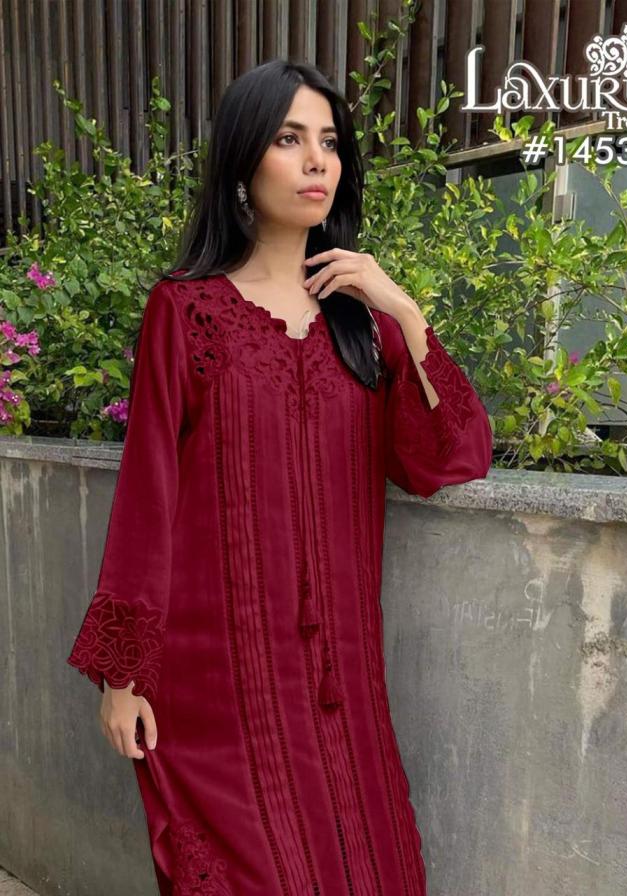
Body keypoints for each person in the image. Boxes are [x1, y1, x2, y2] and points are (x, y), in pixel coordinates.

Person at [67, 58, 493, 895]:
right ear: (242, 160)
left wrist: (403, 310)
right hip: (213, 678)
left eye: (328, 142)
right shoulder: (185, 312)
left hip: (340, 682)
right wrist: (122, 676)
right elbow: (149, 496)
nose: (315, 161)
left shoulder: (362, 328)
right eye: (289, 139)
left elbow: (449, 456)